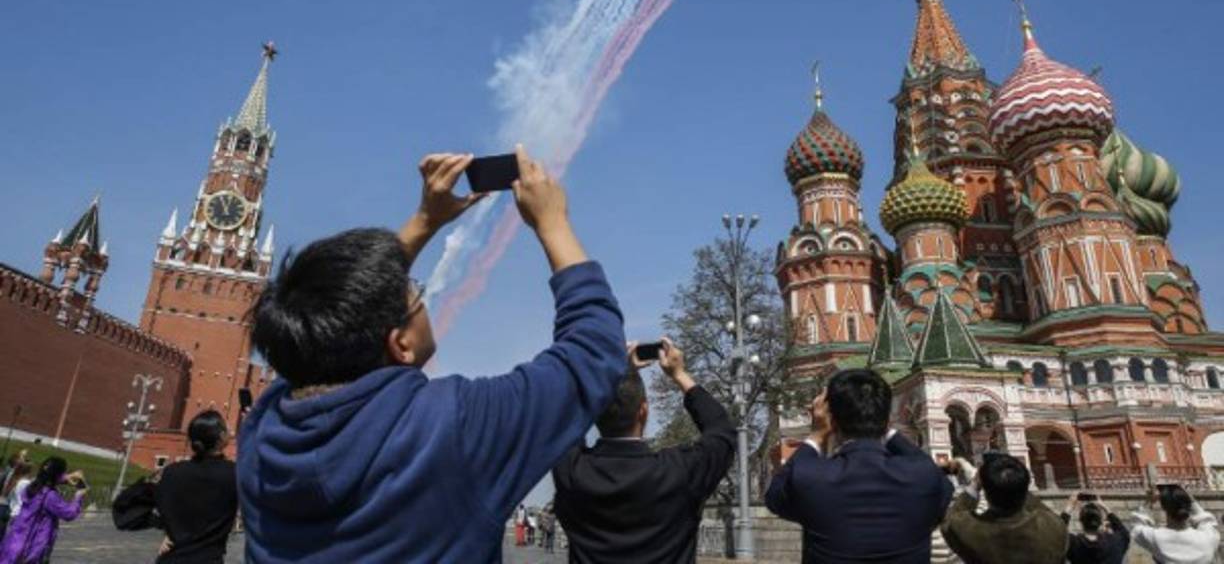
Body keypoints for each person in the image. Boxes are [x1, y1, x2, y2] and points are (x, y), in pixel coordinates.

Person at [238, 148, 626, 563]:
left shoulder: (262, 434)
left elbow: (316, 337)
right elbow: (594, 349)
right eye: (416, 293)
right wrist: (553, 223)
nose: (422, 297)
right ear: (401, 344)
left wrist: (425, 220)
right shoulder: (453, 428)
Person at [552, 337, 735, 564]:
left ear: (595, 413)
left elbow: (563, 420)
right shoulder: (679, 472)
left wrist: (611, 376)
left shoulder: (572, 471)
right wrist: (679, 375)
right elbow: (722, 432)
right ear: (644, 411)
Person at [765, 368, 953, 562]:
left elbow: (775, 497)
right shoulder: (925, 477)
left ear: (831, 420)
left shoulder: (809, 478)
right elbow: (940, 482)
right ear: (887, 418)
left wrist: (816, 434)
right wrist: (886, 428)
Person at [940, 454, 1066, 564]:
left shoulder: (969, 531)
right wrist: (1015, 482)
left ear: (985, 492)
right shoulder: (1053, 526)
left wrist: (975, 484)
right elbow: (1048, 514)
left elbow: (949, 521)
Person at [153, 410, 239, 563]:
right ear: (221, 437)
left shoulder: (172, 472)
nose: (231, 429)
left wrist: (169, 533)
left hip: (170, 558)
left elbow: (162, 510)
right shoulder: (234, 474)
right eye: (227, 427)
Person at [0, 456, 87, 564]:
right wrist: (78, 496)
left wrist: (66, 478)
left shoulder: (31, 487)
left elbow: (46, 477)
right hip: (32, 546)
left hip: (15, 539)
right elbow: (69, 513)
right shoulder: (49, 496)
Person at [1129, 484, 1220, 564]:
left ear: (1164, 508)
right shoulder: (1208, 538)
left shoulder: (1157, 537)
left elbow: (1136, 526)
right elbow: (1206, 520)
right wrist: (1192, 501)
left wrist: (1148, 502)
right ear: (1188, 507)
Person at [1059, 495, 1129, 564]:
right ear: (1100, 521)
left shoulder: (1074, 544)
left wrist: (1069, 507)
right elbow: (1124, 533)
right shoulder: (1114, 543)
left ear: (1081, 521)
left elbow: (1058, 535)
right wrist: (1104, 507)